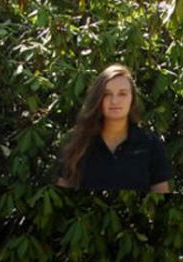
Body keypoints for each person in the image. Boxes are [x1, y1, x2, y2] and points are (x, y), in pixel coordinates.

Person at [53, 64, 172, 193]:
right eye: (107, 94)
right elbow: (63, 199)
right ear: (98, 99)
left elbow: (160, 198)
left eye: (122, 94)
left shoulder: (150, 144)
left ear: (132, 99)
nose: (115, 101)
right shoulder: (76, 142)